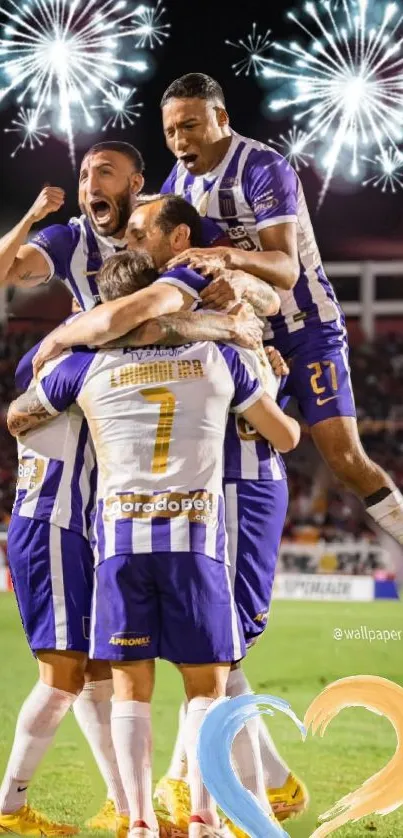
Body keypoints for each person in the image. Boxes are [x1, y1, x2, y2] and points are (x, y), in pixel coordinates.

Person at [32, 194, 306, 829]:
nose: (128, 239)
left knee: (134, 687)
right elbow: (286, 432)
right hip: (200, 529)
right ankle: (224, 807)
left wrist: (60, 339)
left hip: (123, 542)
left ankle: (140, 819)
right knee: (212, 676)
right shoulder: (218, 351)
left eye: (136, 231)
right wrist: (255, 360)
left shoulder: (91, 364)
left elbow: (27, 405)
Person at [159, 72, 403, 547]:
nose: (179, 140)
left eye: (190, 125)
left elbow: (286, 268)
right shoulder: (179, 184)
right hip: (248, 335)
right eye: (170, 131)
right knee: (228, 454)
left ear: (221, 118)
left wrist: (226, 255)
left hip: (306, 326)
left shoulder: (261, 167)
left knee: (344, 457)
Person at [0, 337, 98, 836]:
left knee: (92, 672)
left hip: (65, 531)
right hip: (51, 528)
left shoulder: (56, 390)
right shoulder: (68, 374)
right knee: (62, 679)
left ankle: (123, 802)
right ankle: (9, 807)